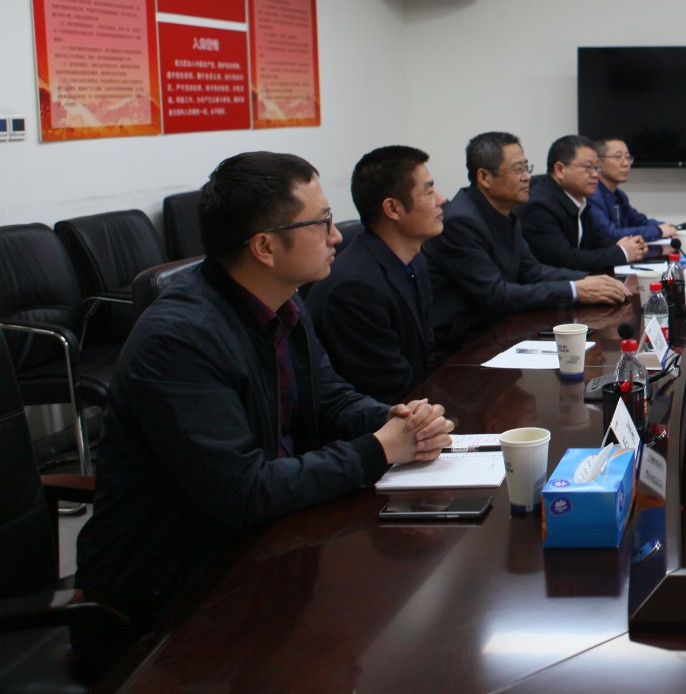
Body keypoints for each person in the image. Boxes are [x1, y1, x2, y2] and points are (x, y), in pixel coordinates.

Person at [75, 152, 454, 629]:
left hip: (268, 539)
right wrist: (378, 449)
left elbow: (330, 397)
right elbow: (242, 490)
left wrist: (395, 420)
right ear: (265, 247)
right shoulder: (179, 340)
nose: (337, 236)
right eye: (322, 223)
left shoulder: (284, 303)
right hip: (173, 589)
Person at [426, 132, 628, 348]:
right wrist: (575, 290)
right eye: (517, 170)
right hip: (463, 344)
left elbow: (532, 271)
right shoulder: (461, 222)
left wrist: (588, 280)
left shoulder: (506, 213)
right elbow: (495, 295)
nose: (527, 177)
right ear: (484, 177)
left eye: (526, 168)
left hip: (499, 329)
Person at [306, 145, 445, 404]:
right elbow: (388, 389)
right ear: (392, 208)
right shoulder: (354, 287)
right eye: (428, 191)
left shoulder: (415, 259)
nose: (441, 199)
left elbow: (425, 353)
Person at [519, 134, 648, 273]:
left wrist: (628, 246)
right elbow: (565, 260)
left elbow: (596, 241)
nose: (595, 175)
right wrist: (622, 252)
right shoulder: (539, 207)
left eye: (597, 168)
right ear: (560, 169)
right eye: (588, 167)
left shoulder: (580, 200)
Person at [591, 137, 677, 242]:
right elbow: (610, 235)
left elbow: (639, 221)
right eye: (618, 157)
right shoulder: (592, 195)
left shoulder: (619, 195)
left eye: (628, 157)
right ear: (598, 162)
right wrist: (658, 230)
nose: (625, 164)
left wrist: (669, 227)